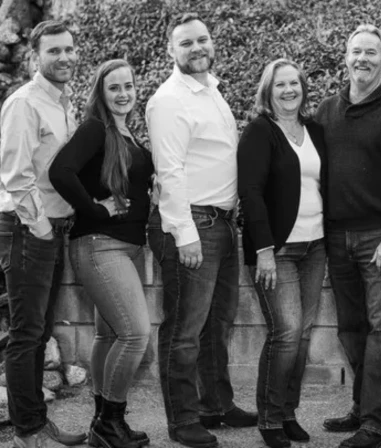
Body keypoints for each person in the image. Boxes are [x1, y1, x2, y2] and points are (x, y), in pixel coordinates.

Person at [145, 12, 257, 448]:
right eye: (186, 43)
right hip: (193, 225)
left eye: (202, 40)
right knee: (184, 329)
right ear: (171, 51)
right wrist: (184, 233)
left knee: (217, 325)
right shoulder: (169, 100)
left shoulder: (211, 91)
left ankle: (216, 405)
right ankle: (183, 419)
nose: (197, 48)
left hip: (222, 223)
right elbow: (169, 170)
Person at [316, 24, 381, 448]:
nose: (362, 59)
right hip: (335, 237)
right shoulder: (326, 111)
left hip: (379, 238)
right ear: (346, 57)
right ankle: (363, 408)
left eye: (371, 52)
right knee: (350, 328)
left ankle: (377, 424)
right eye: (356, 51)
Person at [49, 59, 153, 448]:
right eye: (114, 87)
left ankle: (101, 423)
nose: (123, 94)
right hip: (99, 244)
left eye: (128, 86)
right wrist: (94, 209)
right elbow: (60, 171)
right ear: (101, 92)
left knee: (109, 335)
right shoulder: (95, 128)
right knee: (135, 333)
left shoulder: (128, 133)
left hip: (126, 247)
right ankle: (110, 423)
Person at [0, 20, 87, 448]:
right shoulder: (24, 104)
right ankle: (27, 433)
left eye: (69, 49)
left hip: (49, 228)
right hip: (27, 228)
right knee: (26, 333)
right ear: (35, 57)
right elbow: (16, 176)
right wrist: (42, 228)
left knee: (39, 331)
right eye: (54, 51)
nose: (64, 57)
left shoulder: (63, 102)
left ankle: (35, 421)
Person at [238, 58, 327, 448]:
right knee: (286, 332)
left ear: (303, 88)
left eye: (295, 83)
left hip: (316, 246)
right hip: (278, 250)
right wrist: (264, 251)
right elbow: (250, 193)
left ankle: (288, 412)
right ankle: (270, 419)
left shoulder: (314, 130)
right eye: (280, 85)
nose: (289, 90)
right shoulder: (259, 131)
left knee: (302, 335)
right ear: (268, 91)